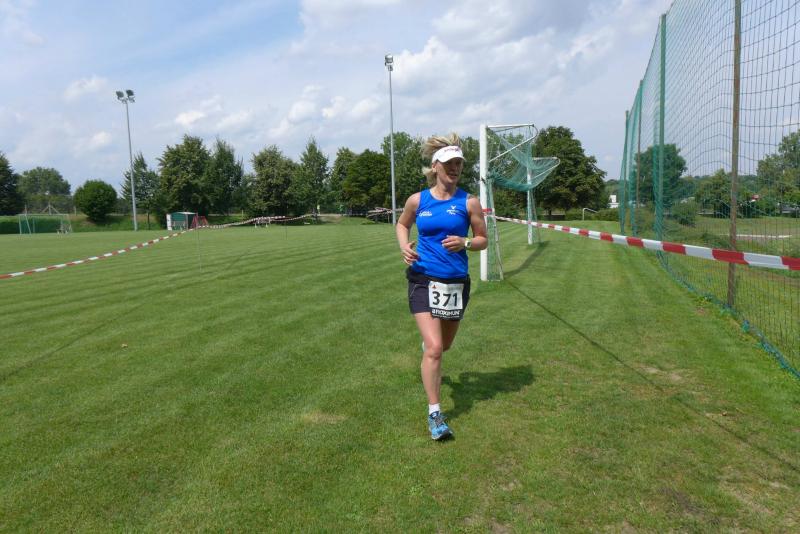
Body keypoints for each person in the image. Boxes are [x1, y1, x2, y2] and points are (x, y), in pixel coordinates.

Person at [395, 133, 488, 440]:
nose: (455, 168)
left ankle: (429, 349)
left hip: (455, 283)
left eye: (458, 163)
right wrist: (404, 247)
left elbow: (482, 240)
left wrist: (465, 242)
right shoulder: (418, 200)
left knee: (443, 346)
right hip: (422, 278)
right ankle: (435, 414)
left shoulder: (469, 202)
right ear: (435, 166)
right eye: (449, 163)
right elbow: (402, 224)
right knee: (436, 349)